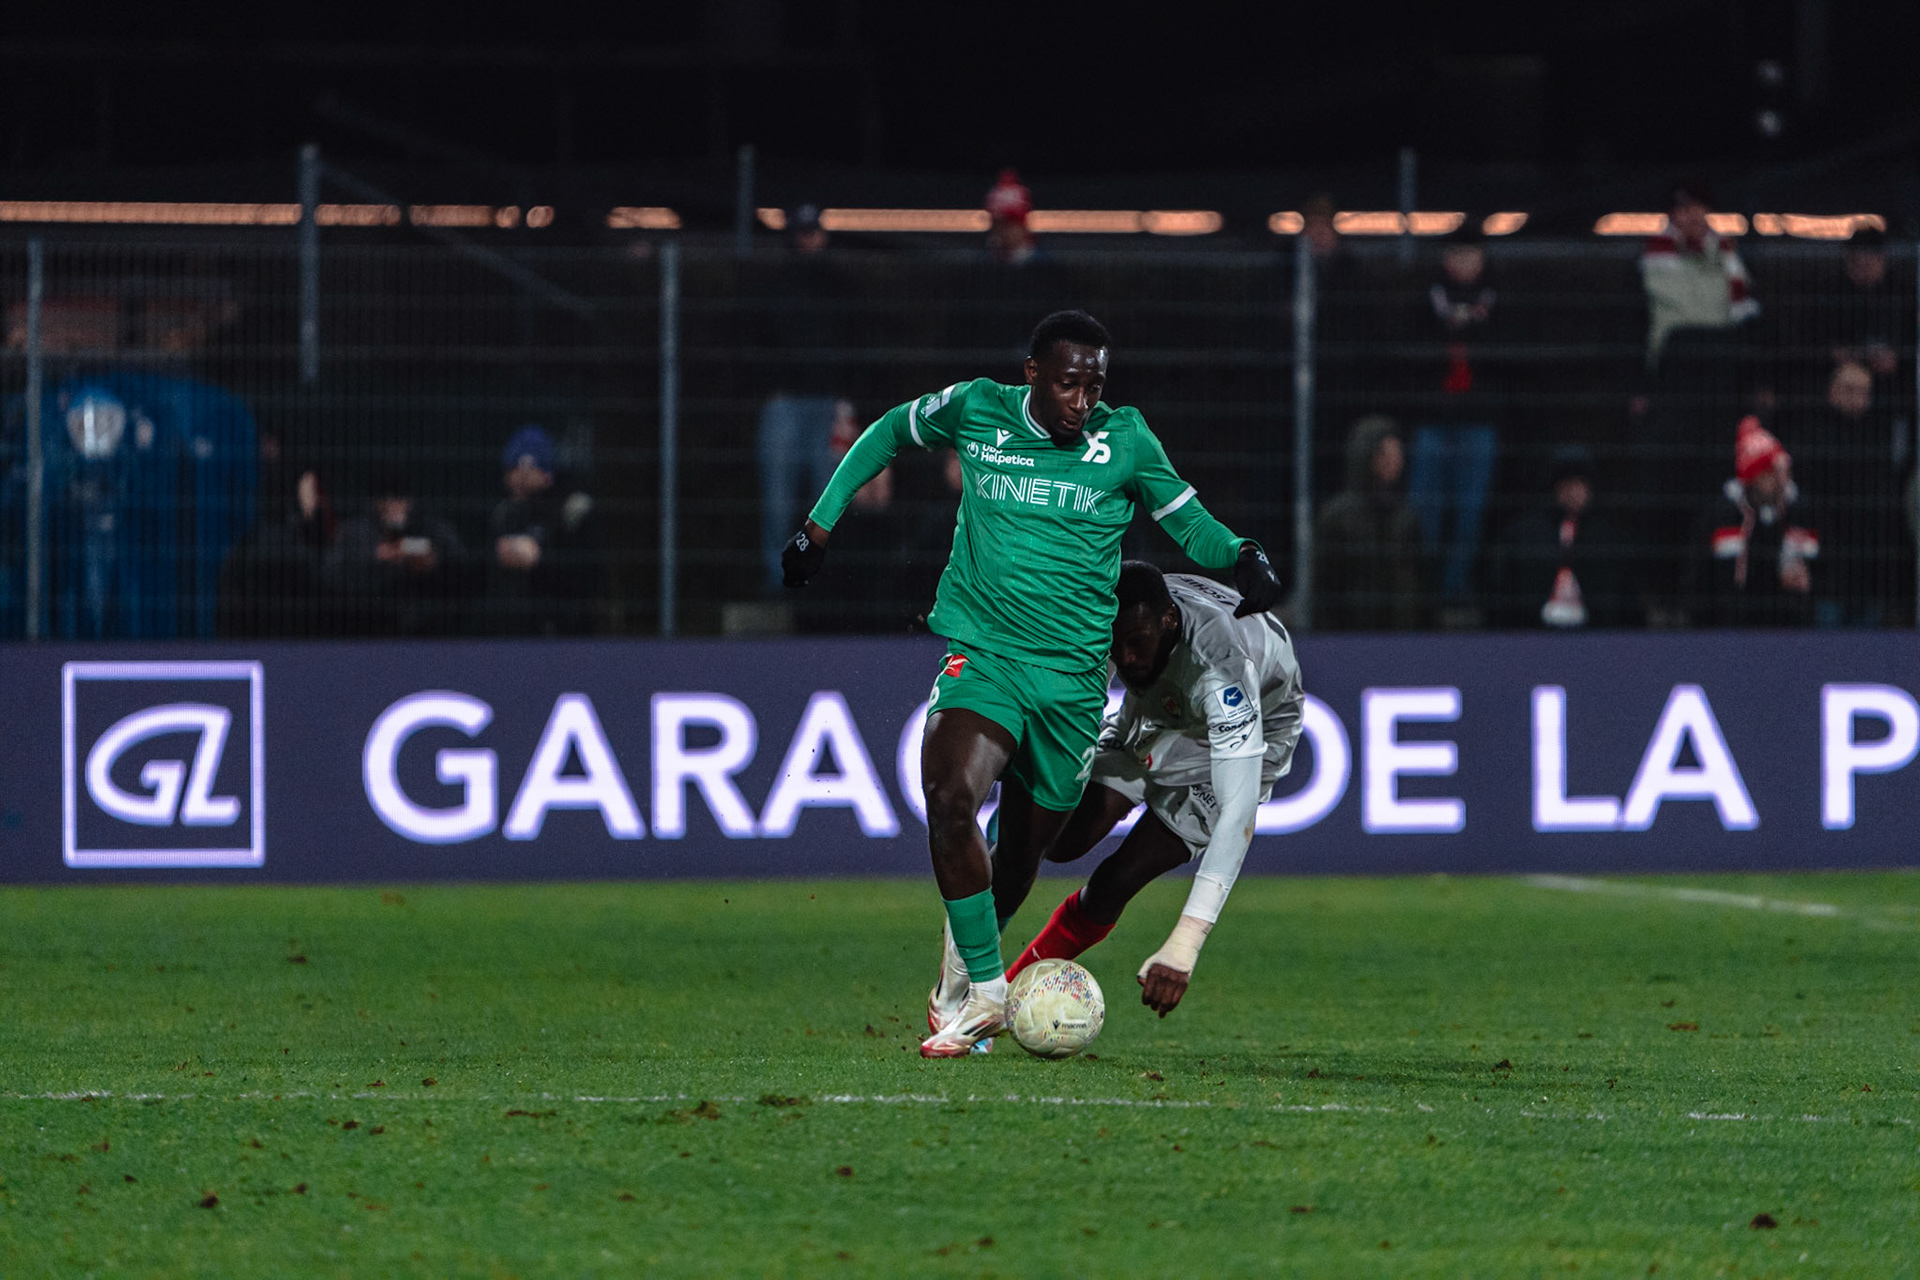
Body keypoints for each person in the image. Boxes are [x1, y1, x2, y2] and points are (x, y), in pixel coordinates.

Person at [780, 309, 1280, 1057]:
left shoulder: (1127, 440)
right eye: (1071, 383)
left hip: (1074, 687)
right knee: (950, 797)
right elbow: (885, 431)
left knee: (1019, 860)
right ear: (1033, 375)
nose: (1083, 399)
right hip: (985, 654)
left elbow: (1189, 522)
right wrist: (818, 528)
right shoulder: (977, 408)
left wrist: (1240, 554)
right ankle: (984, 993)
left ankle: (957, 981)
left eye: (1095, 385)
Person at [1002, 562, 1304, 1018]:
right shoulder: (1111, 618)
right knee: (1060, 840)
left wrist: (1182, 948)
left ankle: (998, 1003)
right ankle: (997, 840)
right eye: (1115, 645)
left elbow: (1236, 812)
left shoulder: (1221, 670)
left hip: (1248, 725)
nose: (1125, 659)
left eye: (1136, 644)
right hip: (1156, 712)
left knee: (1116, 880)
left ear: (1168, 621)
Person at [756, 203, 853, 595]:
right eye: (800, 233)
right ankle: (777, 586)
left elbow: (852, 344)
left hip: (827, 404)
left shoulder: (839, 286)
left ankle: (820, 588)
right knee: (777, 502)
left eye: (812, 232)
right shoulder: (774, 285)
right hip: (785, 402)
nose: (807, 240)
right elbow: (755, 340)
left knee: (825, 502)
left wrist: (846, 402)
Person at [1406, 226, 1502, 617]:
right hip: (1433, 422)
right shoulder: (1425, 301)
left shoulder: (1497, 303)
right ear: (1446, 260)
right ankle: (1423, 589)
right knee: (1424, 512)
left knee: (1470, 512)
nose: (1464, 263)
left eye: (1471, 255)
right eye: (1457, 255)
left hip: (1478, 423)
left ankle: (1455, 590)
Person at [1693, 415, 1820, 628]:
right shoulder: (1722, 515)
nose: (1781, 480)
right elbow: (1701, 575)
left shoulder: (1799, 512)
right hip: (1730, 629)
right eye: (1771, 473)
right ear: (1753, 477)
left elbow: (1818, 568)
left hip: (1791, 628)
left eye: (1783, 471)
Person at [1486, 445, 1630, 629]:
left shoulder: (1609, 539)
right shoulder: (1522, 535)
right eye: (1566, 484)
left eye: (1579, 484)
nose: (1572, 492)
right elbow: (1501, 593)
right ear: (1554, 488)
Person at [485, 424, 604, 636]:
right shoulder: (504, 514)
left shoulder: (572, 510)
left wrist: (540, 559)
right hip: (514, 633)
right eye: (513, 470)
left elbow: (588, 576)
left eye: (528, 470)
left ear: (547, 473)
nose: (519, 478)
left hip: (565, 632)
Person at [1312, 414, 1426, 629]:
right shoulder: (1337, 517)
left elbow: (1420, 583)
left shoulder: (1406, 517)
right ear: (1366, 455)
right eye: (1385, 453)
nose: (1394, 461)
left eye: (1398, 452)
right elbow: (1324, 588)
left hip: (1402, 637)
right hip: (1350, 635)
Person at [328, 472, 472, 636]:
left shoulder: (433, 530)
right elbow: (332, 578)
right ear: (374, 502)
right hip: (367, 631)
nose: (393, 505)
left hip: (426, 633)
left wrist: (434, 563)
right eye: (385, 499)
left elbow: (464, 571)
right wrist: (376, 561)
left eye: (398, 498)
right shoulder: (355, 534)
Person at [984, 168, 1036, 265]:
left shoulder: (1020, 191)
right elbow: (994, 217)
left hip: (1019, 242)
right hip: (999, 239)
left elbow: (1022, 216)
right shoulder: (995, 192)